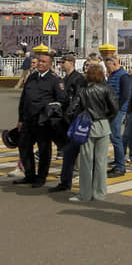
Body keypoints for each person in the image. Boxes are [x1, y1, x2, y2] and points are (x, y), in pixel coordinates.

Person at [14, 51, 67, 188]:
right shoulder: (31, 77)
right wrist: (20, 119)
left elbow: (62, 100)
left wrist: (51, 114)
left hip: (43, 122)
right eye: (39, 61)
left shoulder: (55, 80)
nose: (40, 64)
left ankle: (41, 177)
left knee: (44, 150)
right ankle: (29, 175)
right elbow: (23, 99)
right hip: (28, 120)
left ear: (50, 64)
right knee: (24, 147)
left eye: (44, 62)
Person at [70, 63, 118, 202]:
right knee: (101, 162)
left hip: (87, 126)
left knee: (86, 161)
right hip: (103, 125)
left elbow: (73, 108)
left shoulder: (83, 90)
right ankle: (100, 193)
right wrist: (106, 118)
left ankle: (85, 194)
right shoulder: (107, 89)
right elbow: (114, 108)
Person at [49, 54, 87, 193]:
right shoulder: (64, 79)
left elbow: (78, 99)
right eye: (60, 62)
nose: (61, 64)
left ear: (71, 62)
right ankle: (65, 181)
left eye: (63, 62)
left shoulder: (79, 79)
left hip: (75, 119)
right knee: (68, 151)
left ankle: (72, 180)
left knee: (74, 151)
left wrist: (70, 115)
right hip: (65, 118)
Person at [105, 55, 132, 178]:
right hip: (112, 109)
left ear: (115, 64)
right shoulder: (113, 75)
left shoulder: (124, 76)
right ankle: (118, 161)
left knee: (115, 137)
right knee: (113, 136)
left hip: (118, 110)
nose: (107, 69)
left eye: (108, 66)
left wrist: (117, 108)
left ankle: (120, 166)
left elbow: (125, 95)